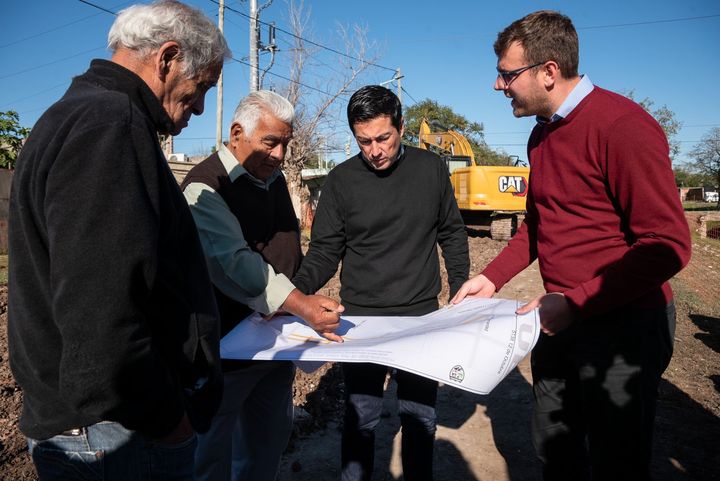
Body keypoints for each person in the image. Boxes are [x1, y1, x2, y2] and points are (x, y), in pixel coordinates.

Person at [451, 10, 692, 480]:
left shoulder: (623, 125)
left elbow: (667, 245)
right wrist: (489, 277)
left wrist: (577, 304)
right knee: (554, 449)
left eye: (506, 74)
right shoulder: (540, 137)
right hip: (560, 322)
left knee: (615, 461)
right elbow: (538, 227)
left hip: (624, 328)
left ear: (548, 71)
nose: (498, 86)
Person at [7, 2, 230, 480]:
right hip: (118, 432)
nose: (201, 106)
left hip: (101, 426)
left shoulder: (77, 115)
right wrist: (170, 422)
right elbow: (100, 314)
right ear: (167, 58)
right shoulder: (110, 125)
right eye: (203, 87)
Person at [292, 85, 470, 481]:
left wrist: (460, 285)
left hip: (419, 319)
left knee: (420, 418)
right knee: (361, 419)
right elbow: (323, 252)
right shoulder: (340, 181)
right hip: (362, 325)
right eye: (364, 141)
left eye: (383, 138)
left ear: (401, 128)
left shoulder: (432, 169)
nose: (374, 150)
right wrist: (292, 295)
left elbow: (452, 233)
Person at [181, 90, 344, 481]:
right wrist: (301, 304)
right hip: (225, 354)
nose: (280, 155)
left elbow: (288, 249)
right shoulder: (204, 188)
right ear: (237, 133)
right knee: (210, 456)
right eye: (271, 142)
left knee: (266, 444)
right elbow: (234, 263)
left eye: (285, 144)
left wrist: (295, 302)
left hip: (274, 347)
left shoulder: (267, 179)